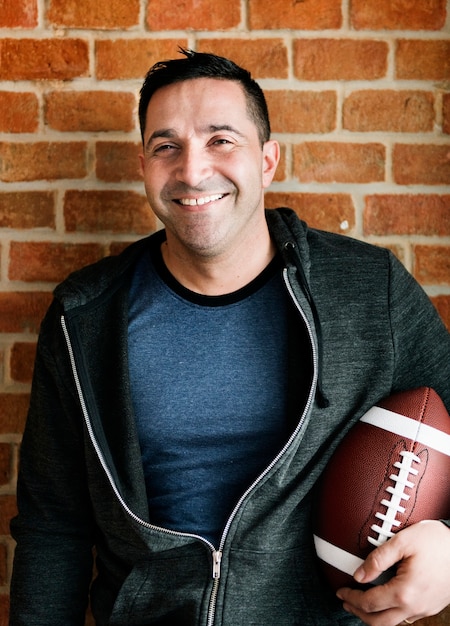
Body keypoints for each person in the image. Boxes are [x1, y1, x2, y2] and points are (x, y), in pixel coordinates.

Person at [9, 49, 450, 626]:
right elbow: (53, 526)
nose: (192, 171)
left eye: (221, 140)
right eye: (167, 146)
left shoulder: (370, 291)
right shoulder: (85, 316)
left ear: (267, 160)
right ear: (144, 164)